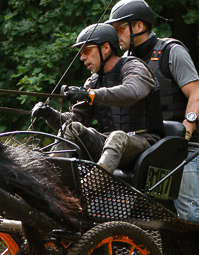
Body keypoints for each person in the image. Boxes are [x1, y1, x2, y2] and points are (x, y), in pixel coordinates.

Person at [105, 0, 199, 221]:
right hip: (147, 151)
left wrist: (184, 135)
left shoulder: (171, 52)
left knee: (189, 217)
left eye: (120, 28)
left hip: (181, 150)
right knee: (143, 219)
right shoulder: (125, 62)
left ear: (138, 26)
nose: (116, 35)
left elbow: (197, 96)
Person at [31, 23, 164, 174]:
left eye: (87, 50)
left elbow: (132, 92)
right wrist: (49, 114)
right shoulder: (93, 81)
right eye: (81, 53)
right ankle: (52, 178)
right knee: (72, 128)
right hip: (108, 144)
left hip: (146, 145)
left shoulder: (134, 67)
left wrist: (91, 94)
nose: (82, 57)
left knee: (117, 136)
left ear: (106, 48)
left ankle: (93, 184)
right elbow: (75, 120)